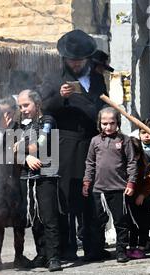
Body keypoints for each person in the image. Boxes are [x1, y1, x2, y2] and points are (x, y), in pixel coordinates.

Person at [37, 29, 108, 261]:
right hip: (65, 146)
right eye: (71, 61)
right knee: (65, 199)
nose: (75, 65)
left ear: (87, 59)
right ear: (65, 59)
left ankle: (94, 247)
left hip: (90, 143)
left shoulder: (97, 79)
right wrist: (61, 96)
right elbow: (44, 108)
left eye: (79, 61)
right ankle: (66, 248)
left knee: (91, 198)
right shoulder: (53, 79)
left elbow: (102, 107)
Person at [83, 107, 137, 263]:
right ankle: (98, 250)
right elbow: (90, 163)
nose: (108, 127)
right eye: (104, 123)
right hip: (98, 190)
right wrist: (87, 181)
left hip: (119, 189)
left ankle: (121, 251)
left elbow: (132, 163)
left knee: (121, 221)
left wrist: (131, 182)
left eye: (112, 123)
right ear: (99, 123)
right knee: (98, 222)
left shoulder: (124, 140)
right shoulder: (95, 141)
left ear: (117, 123)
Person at [16, 89, 62, 272]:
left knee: (48, 218)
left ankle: (53, 257)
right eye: (20, 106)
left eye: (26, 105)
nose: (23, 110)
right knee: (34, 218)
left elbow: (40, 145)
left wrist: (21, 148)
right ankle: (41, 254)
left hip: (46, 176)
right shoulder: (20, 126)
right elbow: (10, 151)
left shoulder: (47, 121)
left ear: (38, 104)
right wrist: (26, 158)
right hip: (26, 177)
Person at [0, 96, 31, 270]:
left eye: (9, 112)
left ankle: (19, 255)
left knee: (19, 220)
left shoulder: (22, 129)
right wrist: (1, 131)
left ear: (15, 111)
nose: (6, 116)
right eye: (2, 113)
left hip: (17, 180)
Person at [126, 137, 150, 259]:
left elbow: (148, 181)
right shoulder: (123, 163)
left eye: (136, 153)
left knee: (143, 223)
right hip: (129, 198)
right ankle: (131, 247)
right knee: (131, 224)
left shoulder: (144, 162)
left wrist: (142, 195)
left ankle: (141, 247)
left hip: (142, 198)